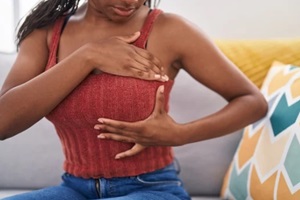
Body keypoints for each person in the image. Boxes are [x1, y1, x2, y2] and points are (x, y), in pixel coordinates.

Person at [0, 0, 268, 199]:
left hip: (152, 188)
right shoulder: (46, 34)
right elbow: (4, 122)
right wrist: (88, 56)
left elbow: (252, 102)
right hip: (74, 188)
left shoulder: (169, 30)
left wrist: (179, 134)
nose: (131, 1)